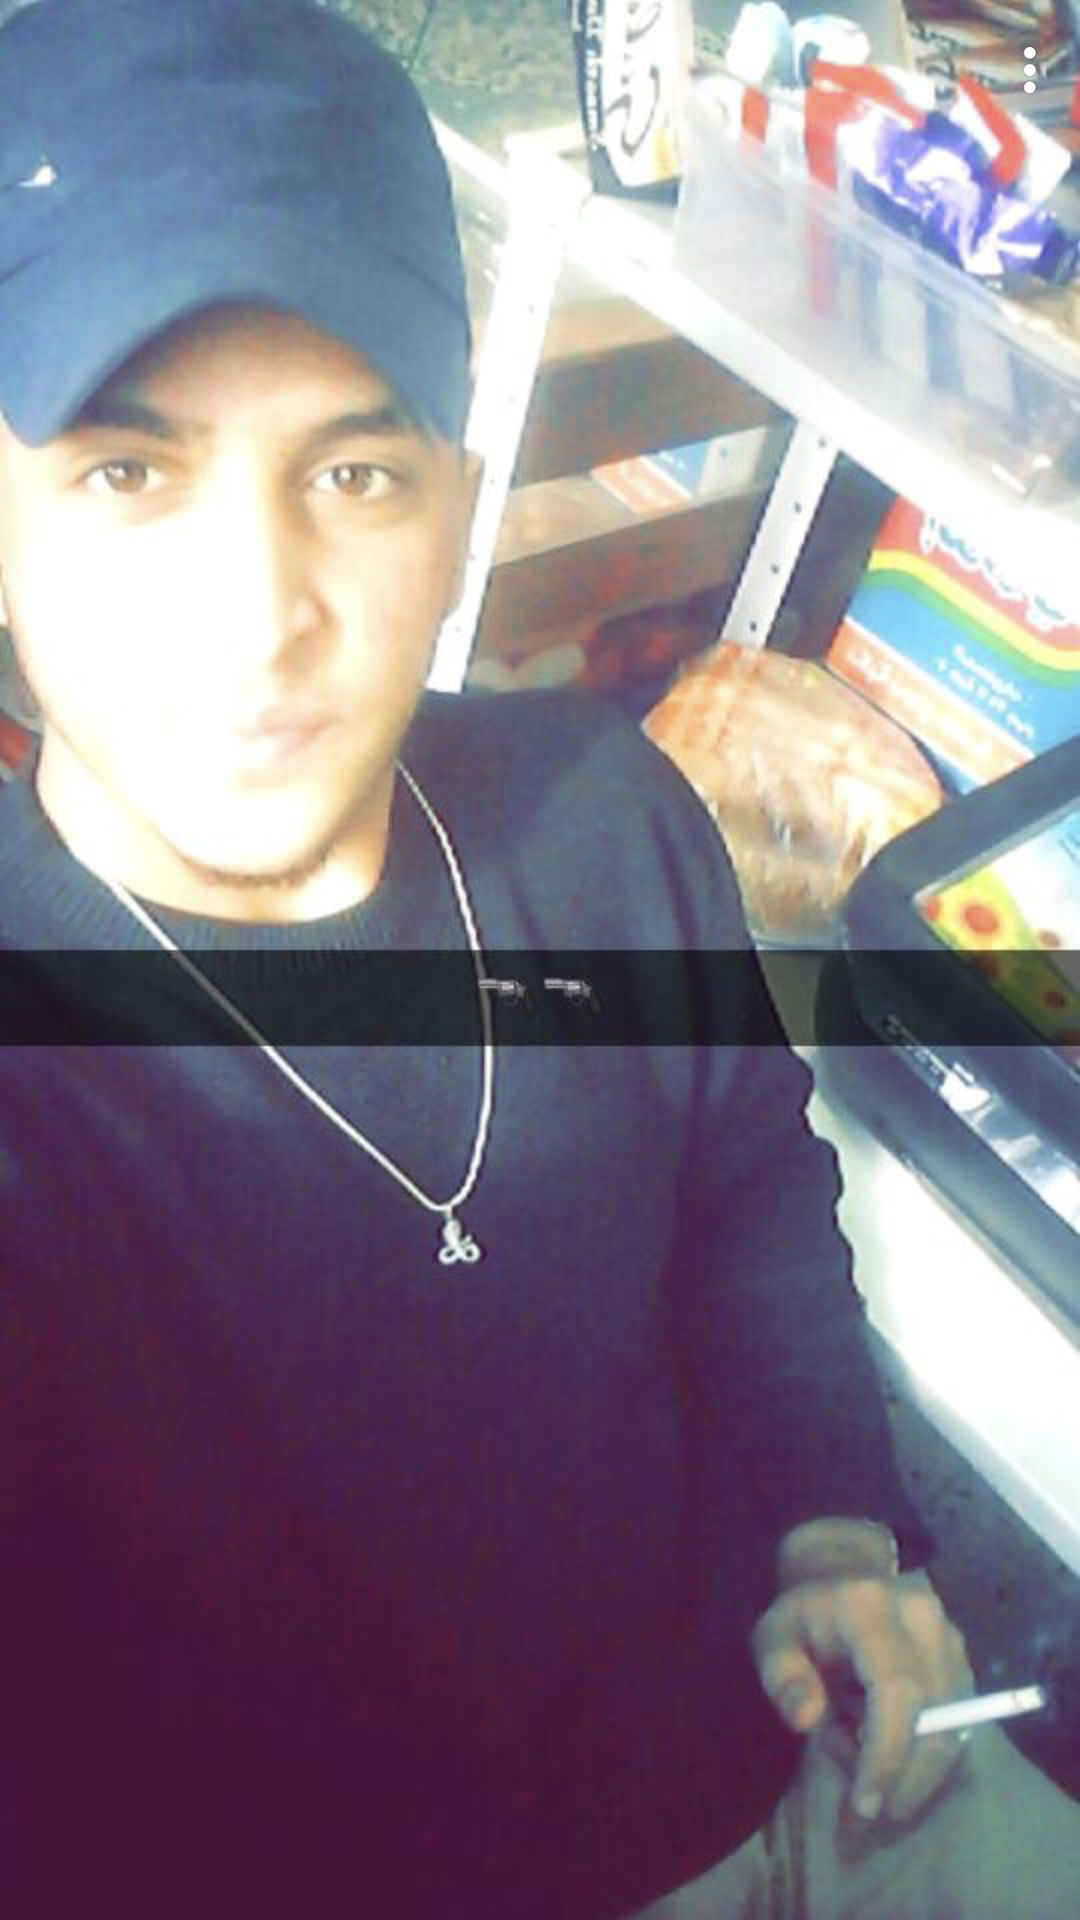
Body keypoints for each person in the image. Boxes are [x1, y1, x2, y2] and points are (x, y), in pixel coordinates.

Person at [0, 3, 1076, 1916]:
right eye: (124, 475)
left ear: (452, 491)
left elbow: (746, 1189)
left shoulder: (606, 818)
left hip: (809, 1749)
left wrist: (838, 1531)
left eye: (354, 473)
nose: (259, 619)